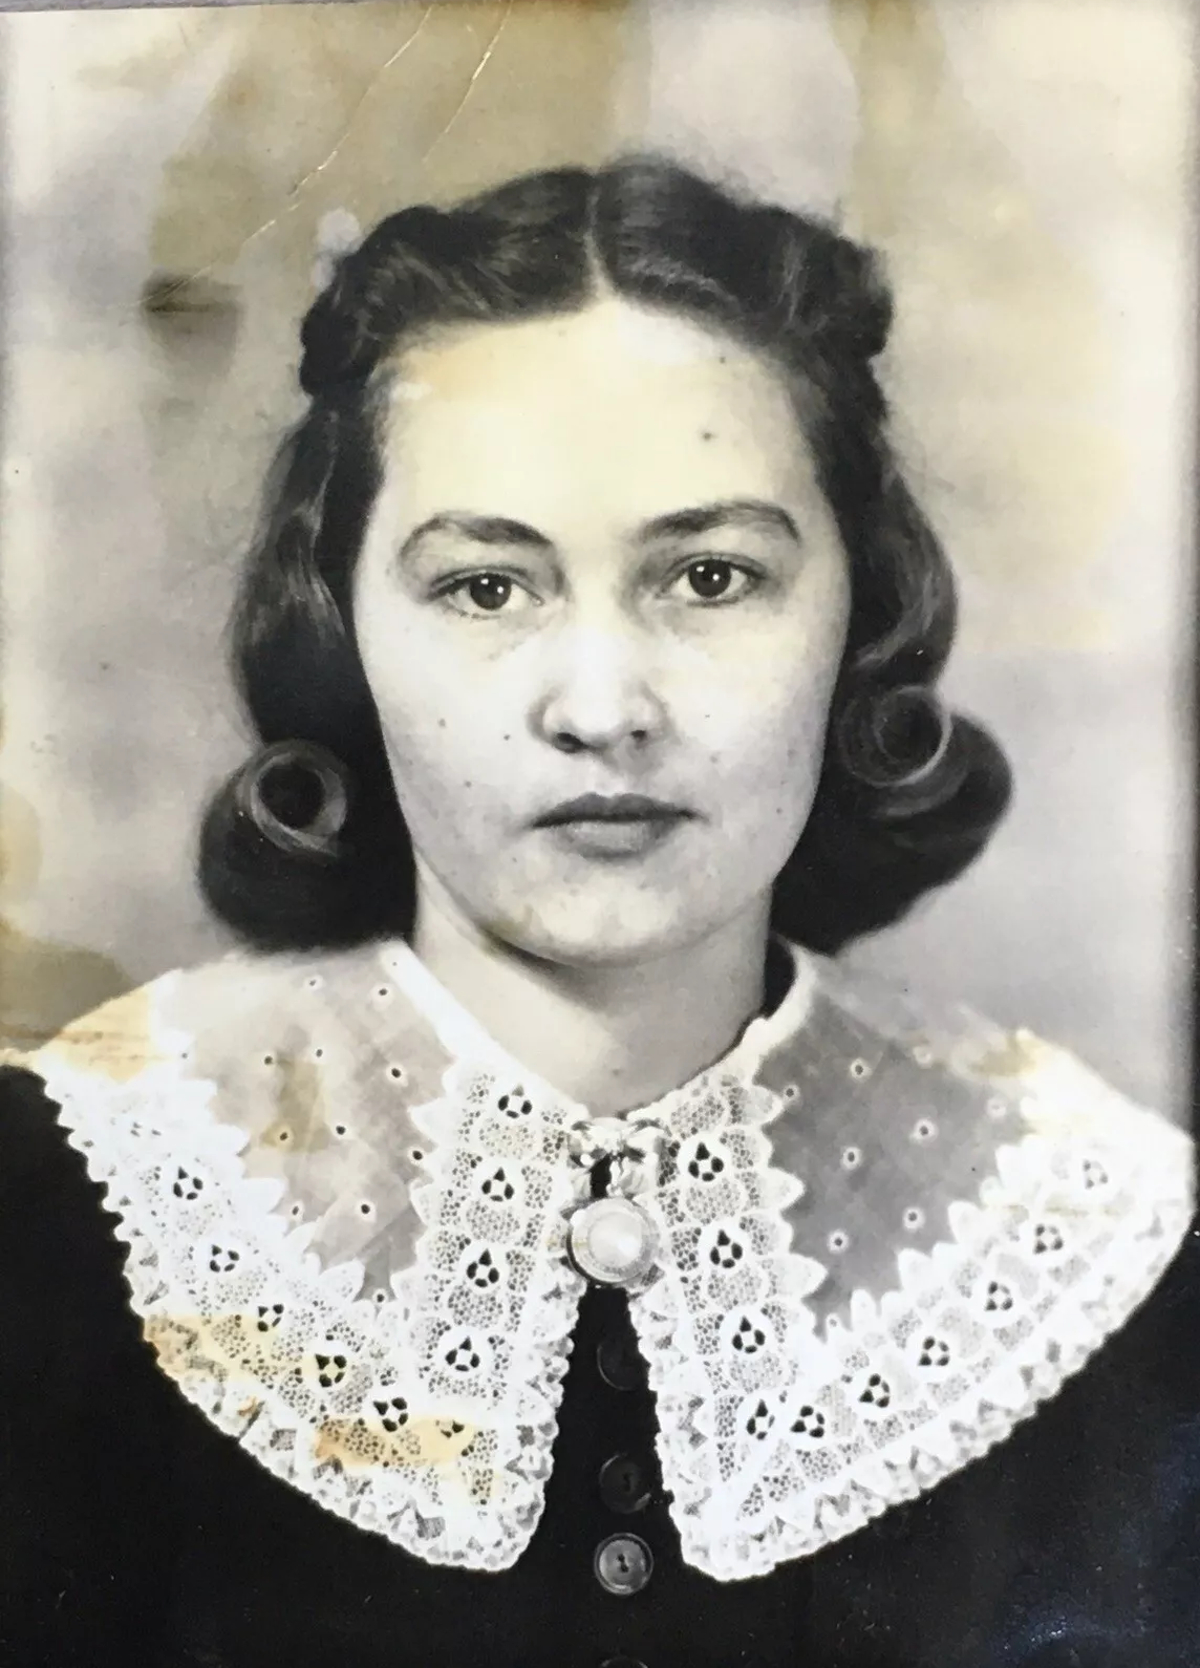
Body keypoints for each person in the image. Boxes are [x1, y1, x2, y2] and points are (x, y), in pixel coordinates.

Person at [2, 157, 1196, 1668]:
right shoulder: (62, 1211)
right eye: (487, 589)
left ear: (861, 612)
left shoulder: (1105, 1249)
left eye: (710, 575)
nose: (602, 708)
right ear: (339, 630)